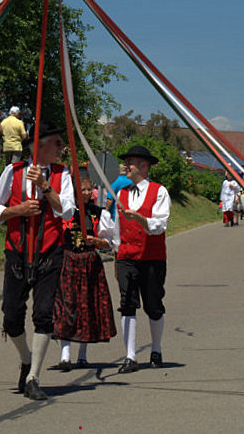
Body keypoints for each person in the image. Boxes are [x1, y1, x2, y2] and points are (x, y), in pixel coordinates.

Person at [0, 121, 75, 400]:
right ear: (40, 145)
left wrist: (46, 186)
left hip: (50, 250)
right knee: (11, 315)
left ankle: (34, 376)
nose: (61, 147)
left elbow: (67, 210)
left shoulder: (63, 175)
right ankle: (25, 358)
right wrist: (17, 210)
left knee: (43, 314)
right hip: (17, 251)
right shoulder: (12, 172)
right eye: (56, 142)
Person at [98, 145, 170, 374]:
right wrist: (105, 242)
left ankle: (156, 349)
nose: (126, 166)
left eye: (130, 162)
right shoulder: (121, 194)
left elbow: (159, 225)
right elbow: (114, 228)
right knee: (127, 304)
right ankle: (130, 356)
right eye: (126, 161)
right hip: (127, 257)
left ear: (144, 166)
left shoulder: (159, 192)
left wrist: (140, 218)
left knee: (153, 305)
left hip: (152, 257)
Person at [54, 175, 116, 370]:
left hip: (90, 263)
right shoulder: (65, 212)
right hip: (68, 262)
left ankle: (82, 355)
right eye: (83, 189)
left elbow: (109, 242)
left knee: (86, 307)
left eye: (89, 189)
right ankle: (65, 354)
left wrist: (96, 241)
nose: (87, 193)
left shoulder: (99, 214)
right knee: (66, 306)